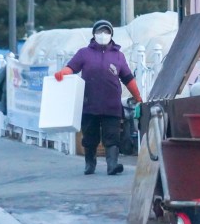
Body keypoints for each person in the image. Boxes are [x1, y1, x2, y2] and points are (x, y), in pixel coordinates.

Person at [53, 20, 142, 176]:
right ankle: (90, 163)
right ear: (94, 34)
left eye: (106, 32)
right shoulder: (84, 53)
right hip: (89, 104)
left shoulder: (118, 56)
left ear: (111, 35)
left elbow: (128, 78)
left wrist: (138, 97)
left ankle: (112, 165)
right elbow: (71, 68)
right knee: (90, 136)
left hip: (112, 105)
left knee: (112, 136)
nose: (103, 35)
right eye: (100, 31)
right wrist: (63, 73)